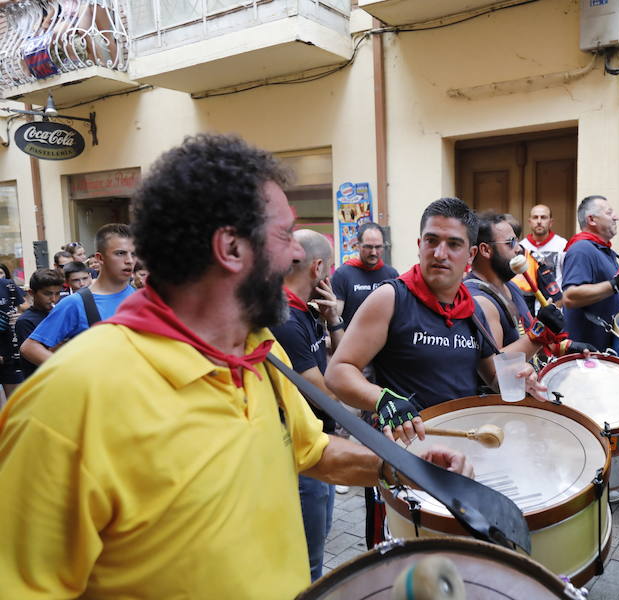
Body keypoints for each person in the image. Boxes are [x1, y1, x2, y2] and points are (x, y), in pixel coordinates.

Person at [0, 134, 471, 598]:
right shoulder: (71, 399)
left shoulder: (261, 354)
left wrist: (404, 467)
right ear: (230, 249)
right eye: (285, 235)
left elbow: (312, 453)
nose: (295, 255)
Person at [325, 198, 546, 549]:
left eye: (454, 244)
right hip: (405, 464)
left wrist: (521, 377)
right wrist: (380, 398)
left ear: (471, 255)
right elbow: (338, 371)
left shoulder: (470, 308)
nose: (440, 253)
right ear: (419, 244)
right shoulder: (391, 298)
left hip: (459, 460)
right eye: (432, 240)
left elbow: (491, 372)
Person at [270, 229, 344, 583]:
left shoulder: (306, 311)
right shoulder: (284, 319)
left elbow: (341, 365)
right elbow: (323, 389)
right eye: (328, 270)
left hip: (319, 442)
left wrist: (334, 321)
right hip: (302, 455)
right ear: (317, 268)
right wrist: (360, 415)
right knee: (309, 561)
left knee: (320, 540)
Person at [465, 212, 586, 358]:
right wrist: (540, 331)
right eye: (510, 243)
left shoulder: (511, 286)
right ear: (485, 250)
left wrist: (564, 347)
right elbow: (496, 368)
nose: (518, 249)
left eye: (517, 241)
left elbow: (524, 340)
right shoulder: (479, 300)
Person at [20, 224, 136, 367]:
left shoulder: (144, 297)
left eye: (134, 254)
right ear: (100, 258)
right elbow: (30, 347)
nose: (129, 260)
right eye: (120, 253)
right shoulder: (76, 302)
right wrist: (73, 373)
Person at [561, 195, 619, 351]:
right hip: (586, 355)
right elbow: (570, 297)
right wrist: (615, 284)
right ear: (592, 220)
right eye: (609, 212)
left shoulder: (604, 251)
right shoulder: (582, 249)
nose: (616, 217)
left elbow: (611, 300)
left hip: (603, 351)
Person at [331, 222, 398, 325]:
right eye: (368, 247)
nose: (373, 252)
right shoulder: (342, 274)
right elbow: (335, 317)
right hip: (352, 339)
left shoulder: (392, 275)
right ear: (358, 246)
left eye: (378, 247)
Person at [15, 268, 63, 380]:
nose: (54, 299)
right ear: (32, 293)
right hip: (40, 380)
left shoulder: (59, 314)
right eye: (47, 294)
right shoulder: (25, 321)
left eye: (57, 293)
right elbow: (33, 358)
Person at [519, 204, 567, 287]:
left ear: (551, 222)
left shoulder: (562, 245)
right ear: (529, 222)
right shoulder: (521, 247)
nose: (539, 221)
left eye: (543, 217)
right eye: (535, 217)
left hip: (556, 297)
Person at [0, 266, 25, 398]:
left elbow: (24, 306)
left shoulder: (7, 284)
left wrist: (20, 315)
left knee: (15, 406)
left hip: (10, 353)